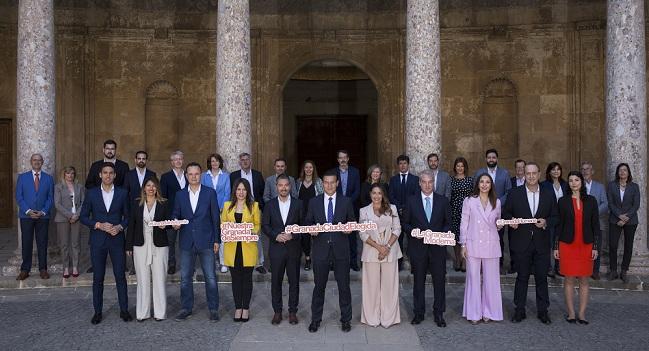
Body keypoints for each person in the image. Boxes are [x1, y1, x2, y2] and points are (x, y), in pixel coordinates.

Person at [502, 162, 557, 325]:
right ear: (523, 175)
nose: (531, 176)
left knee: (541, 278)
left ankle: (543, 311)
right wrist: (510, 220)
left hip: (541, 242)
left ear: (539, 174)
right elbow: (506, 212)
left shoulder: (548, 193)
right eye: (528, 173)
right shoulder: (514, 193)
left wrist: (546, 222)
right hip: (521, 242)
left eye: (534, 173)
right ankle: (519, 310)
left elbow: (556, 216)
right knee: (522, 277)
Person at [79, 162, 132, 324]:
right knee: (98, 278)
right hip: (98, 240)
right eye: (105, 173)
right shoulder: (92, 193)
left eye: (111, 173)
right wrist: (98, 225)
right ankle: (98, 312)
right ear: (100, 175)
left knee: (120, 277)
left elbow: (129, 217)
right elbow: (83, 216)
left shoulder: (122, 193)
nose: (108, 175)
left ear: (115, 175)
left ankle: (124, 310)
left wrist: (120, 227)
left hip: (116, 240)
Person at [305, 169, 356, 333]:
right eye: (326, 182)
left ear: (337, 183)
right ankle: (315, 320)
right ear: (322, 184)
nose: (329, 185)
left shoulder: (346, 201)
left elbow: (352, 222)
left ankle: (346, 320)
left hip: (341, 250)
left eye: (332, 182)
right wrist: (311, 229)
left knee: (344, 287)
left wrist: (350, 228)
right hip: (320, 251)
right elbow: (307, 222)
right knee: (319, 287)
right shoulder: (314, 202)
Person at [172, 162, 221, 322]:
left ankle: (213, 309)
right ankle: (186, 308)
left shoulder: (210, 193)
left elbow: (215, 218)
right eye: (190, 174)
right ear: (186, 176)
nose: (193, 177)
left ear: (201, 175)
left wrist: (216, 240)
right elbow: (176, 213)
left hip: (206, 241)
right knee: (185, 278)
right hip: (186, 241)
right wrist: (175, 221)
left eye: (196, 174)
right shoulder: (180, 195)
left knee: (211, 277)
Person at [402, 169, 451, 327]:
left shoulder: (443, 201)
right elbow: (405, 223)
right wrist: (412, 232)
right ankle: (419, 313)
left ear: (434, 183)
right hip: (418, 248)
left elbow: (448, 224)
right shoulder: (411, 200)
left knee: (439, 282)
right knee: (418, 282)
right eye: (424, 182)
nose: (427, 185)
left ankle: (439, 314)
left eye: (430, 182)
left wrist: (440, 235)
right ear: (420, 183)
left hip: (438, 249)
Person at [553, 171, 600, 325]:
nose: (574, 183)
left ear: (582, 182)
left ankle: (582, 313)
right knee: (569, 279)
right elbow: (558, 226)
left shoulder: (591, 201)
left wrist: (595, 246)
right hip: (567, 244)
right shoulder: (563, 201)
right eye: (571, 180)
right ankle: (571, 313)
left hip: (586, 245)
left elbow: (595, 226)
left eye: (577, 180)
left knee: (585, 279)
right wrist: (556, 247)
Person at [459, 173, 503, 324]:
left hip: (491, 244)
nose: (484, 184)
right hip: (473, 243)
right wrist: (463, 244)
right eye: (482, 182)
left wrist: (500, 224)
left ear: (491, 185)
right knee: (473, 279)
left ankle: (489, 311)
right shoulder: (469, 201)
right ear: (477, 184)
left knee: (491, 280)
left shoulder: (496, 202)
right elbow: (464, 223)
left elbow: (498, 223)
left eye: (488, 182)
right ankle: (474, 312)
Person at [126, 177, 170, 322]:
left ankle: (160, 313)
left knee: (159, 279)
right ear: (144, 188)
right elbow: (131, 225)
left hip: (159, 245)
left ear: (157, 188)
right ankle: (142, 313)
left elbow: (171, 222)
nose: (151, 188)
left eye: (153, 186)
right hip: (140, 244)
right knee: (142, 279)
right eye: (148, 185)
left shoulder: (164, 203)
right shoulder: (136, 204)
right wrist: (128, 246)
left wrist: (166, 225)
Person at [262, 174, 304, 325]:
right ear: (276, 187)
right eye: (281, 185)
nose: (284, 188)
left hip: (293, 248)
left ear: (290, 187)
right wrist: (276, 236)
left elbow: (304, 225)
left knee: (294, 281)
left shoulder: (299, 204)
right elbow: (265, 226)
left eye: (286, 185)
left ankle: (292, 311)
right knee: (276, 282)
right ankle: (277, 312)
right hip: (276, 249)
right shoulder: (270, 205)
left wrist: (293, 235)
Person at [359, 184, 402, 328]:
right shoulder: (363, 211)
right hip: (371, 252)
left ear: (383, 195)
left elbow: (397, 229)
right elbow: (362, 233)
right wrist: (379, 248)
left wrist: (387, 247)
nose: (377, 196)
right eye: (374, 193)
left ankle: (389, 318)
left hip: (390, 251)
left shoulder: (392, 209)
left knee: (389, 286)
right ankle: (371, 317)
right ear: (370, 194)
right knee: (371, 286)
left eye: (379, 193)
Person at [221, 178, 260, 322]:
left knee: (247, 279)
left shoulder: (254, 206)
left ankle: (246, 308)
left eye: (244, 189)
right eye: (239, 189)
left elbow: (257, 224)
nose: (241, 192)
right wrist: (228, 230)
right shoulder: (227, 206)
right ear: (235, 191)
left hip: (248, 248)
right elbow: (223, 223)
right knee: (236, 279)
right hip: (232, 248)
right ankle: (238, 308)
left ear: (247, 191)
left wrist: (251, 231)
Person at [15, 153, 54, 280]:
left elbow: (50, 197)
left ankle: (43, 269)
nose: (37, 162)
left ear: (42, 162)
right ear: (31, 162)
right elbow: (19, 197)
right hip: (26, 216)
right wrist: (28, 211)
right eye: (34, 160)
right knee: (26, 243)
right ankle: (25, 269)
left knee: (42, 243)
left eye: (39, 160)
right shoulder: (22, 177)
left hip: (43, 216)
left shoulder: (48, 178)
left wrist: (43, 211)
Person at [474, 149, 511, 270]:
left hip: (498, 211)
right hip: (482, 211)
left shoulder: (504, 173)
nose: (491, 159)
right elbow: (475, 189)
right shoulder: (480, 172)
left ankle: (498, 264)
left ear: (497, 159)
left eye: (493, 157)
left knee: (498, 237)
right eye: (489, 157)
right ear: (486, 159)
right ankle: (482, 263)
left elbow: (508, 191)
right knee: (481, 237)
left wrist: (497, 203)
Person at [230, 152, 266, 274]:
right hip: (238, 207)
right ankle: (240, 259)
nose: (245, 162)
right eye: (243, 160)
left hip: (254, 208)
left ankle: (259, 263)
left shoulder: (257, 174)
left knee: (256, 235)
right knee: (240, 234)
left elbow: (262, 191)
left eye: (247, 159)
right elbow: (231, 191)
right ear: (239, 162)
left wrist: (259, 205)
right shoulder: (233, 175)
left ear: (250, 161)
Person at [123, 151, 157, 275]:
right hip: (133, 211)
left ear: (146, 160)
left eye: (143, 158)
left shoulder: (152, 174)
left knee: (149, 237)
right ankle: (134, 267)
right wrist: (126, 211)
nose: (141, 160)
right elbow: (125, 194)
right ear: (135, 160)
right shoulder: (129, 175)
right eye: (139, 158)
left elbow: (156, 191)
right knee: (134, 237)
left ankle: (151, 264)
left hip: (149, 210)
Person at [607, 163, 640, 283]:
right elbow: (610, 203)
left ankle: (624, 270)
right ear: (617, 172)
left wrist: (626, 217)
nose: (622, 172)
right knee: (613, 245)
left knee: (628, 246)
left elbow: (636, 204)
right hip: (615, 219)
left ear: (628, 172)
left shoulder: (634, 186)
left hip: (631, 221)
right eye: (620, 170)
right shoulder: (611, 185)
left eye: (625, 170)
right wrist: (619, 216)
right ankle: (613, 270)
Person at [388, 154, 420, 271]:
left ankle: (414, 266)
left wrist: (407, 208)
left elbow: (416, 196)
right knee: (398, 240)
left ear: (408, 165)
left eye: (404, 163)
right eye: (400, 164)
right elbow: (391, 196)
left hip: (411, 215)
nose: (402, 166)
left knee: (413, 241)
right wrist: (399, 208)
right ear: (398, 166)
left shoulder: (415, 179)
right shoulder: (393, 179)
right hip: (397, 215)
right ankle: (398, 265)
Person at [201, 153, 231, 273]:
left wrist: (220, 207)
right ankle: (212, 261)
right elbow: (202, 191)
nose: (214, 163)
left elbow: (227, 193)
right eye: (212, 161)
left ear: (220, 163)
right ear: (209, 163)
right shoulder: (204, 175)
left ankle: (224, 262)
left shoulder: (225, 176)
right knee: (210, 235)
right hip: (207, 210)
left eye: (217, 161)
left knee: (223, 235)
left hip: (222, 210)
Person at [54, 166, 85, 278]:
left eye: (72, 173)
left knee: (75, 243)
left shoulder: (79, 186)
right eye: (67, 173)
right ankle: (66, 267)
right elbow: (57, 204)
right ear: (64, 174)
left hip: (77, 218)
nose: (70, 175)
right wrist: (70, 215)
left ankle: (75, 267)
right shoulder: (58, 187)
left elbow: (83, 202)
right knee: (64, 244)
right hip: (62, 219)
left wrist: (76, 215)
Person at [333, 150, 361, 271]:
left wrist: (347, 203)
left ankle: (353, 262)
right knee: (335, 236)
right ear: (338, 160)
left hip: (351, 208)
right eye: (340, 158)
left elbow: (357, 190)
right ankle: (335, 263)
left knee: (352, 237)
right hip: (336, 208)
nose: (343, 160)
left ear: (348, 159)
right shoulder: (333, 172)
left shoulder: (355, 172)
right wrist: (340, 203)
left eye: (345, 157)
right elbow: (331, 189)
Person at [160, 150, 187, 275]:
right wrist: (165, 217)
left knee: (187, 241)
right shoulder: (166, 177)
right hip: (171, 214)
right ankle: (171, 264)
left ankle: (188, 265)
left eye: (180, 159)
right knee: (170, 242)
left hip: (187, 214)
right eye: (175, 159)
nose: (178, 161)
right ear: (171, 162)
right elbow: (163, 198)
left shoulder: (189, 175)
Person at [580, 162, 608, 280]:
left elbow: (605, 203)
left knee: (596, 246)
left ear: (592, 171)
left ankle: (595, 271)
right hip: (580, 222)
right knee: (581, 247)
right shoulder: (578, 185)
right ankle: (581, 269)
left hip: (597, 222)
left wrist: (593, 214)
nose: (585, 171)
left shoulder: (600, 186)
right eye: (583, 169)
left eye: (588, 169)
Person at [541, 162, 569, 278]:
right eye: (553, 169)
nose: (556, 171)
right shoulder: (544, 185)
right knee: (550, 243)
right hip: (550, 218)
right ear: (549, 172)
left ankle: (559, 267)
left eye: (558, 169)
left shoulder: (565, 185)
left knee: (560, 243)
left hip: (564, 218)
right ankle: (549, 268)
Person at [295, 160, 323, 271]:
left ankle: (320, 259)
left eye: (310, 167)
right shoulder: (298, 182)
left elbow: (321, 197)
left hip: (314, 214)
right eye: (306, 167)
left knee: (317, 237)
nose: (308, 169)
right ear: (303, 169)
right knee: (305, 238)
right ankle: (307, 258)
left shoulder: (318, 181)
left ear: (313, 169)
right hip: (302, 214)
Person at [449, 157, 473, 272]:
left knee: (466, 236)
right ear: (455, 167)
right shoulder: (451, 180)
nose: (460, 168)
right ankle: (457, 260)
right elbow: (449, 195)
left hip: (467, 211)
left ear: (465, 167)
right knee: (455, 237)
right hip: (454, 210)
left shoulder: (470, 180)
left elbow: (474, 196)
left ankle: (464, 261)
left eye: (462, 166)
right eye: (458, 166)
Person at [507, 159, 526, 273]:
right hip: (513, 217)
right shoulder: (511, 181)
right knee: (512, 242)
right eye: (517, 167)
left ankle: (524, 266)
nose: (520, 169)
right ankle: (513, 265)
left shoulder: (530, 181)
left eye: (522, 167)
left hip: (526, 217)